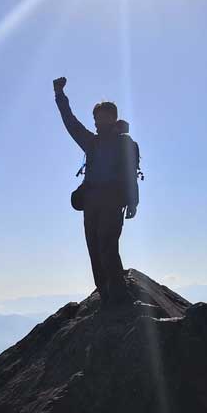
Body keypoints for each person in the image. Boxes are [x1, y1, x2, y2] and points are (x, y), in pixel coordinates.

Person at [53, 76, 139, 305]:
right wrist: (59, 95)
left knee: (107, 245)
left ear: (113, 117)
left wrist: (133, 202)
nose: (97, 121)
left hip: (111, 201)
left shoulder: (124, 143)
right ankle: (106, 294)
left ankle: (119, 295)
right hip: (91, 202)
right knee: (94, 247)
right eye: (95, 118)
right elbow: (70, 122)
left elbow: (131, 173)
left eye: (102, 117)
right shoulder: (91, 142)